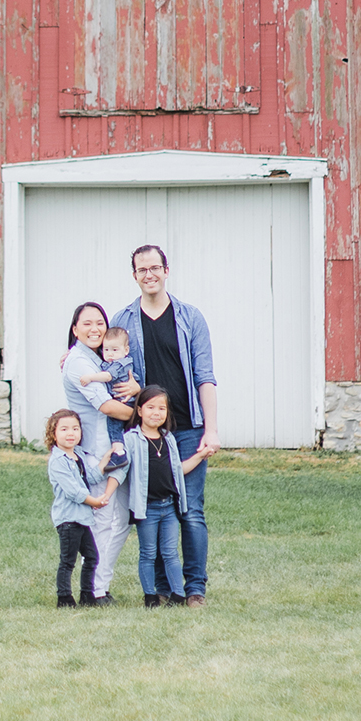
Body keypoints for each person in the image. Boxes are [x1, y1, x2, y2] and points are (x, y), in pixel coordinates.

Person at [110, 245, 219, 605]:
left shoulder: (190, 317)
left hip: (187, 428)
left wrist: (211, 429)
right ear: (134, 275)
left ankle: (194, 589)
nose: (149, 274)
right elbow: (101, 352)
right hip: (145, 435)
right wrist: (72, 354)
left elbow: (205, 377)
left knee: (190, 511)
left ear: (166, 270)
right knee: (152, 508)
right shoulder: (124, 320)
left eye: (155, 267)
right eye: (142, 269)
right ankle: (159, 587)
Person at [61, 302, 136, 603]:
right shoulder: (79, 362)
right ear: (75, 329)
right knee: (104, 519)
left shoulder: (99, 358)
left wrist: (135, 390)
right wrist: (146, 413)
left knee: (123, 519)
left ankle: (99, 585)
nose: (95, 329)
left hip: (114, 447)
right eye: (87, 323)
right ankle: (93, 590)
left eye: (99, 323)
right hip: (96, 452)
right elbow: (105, 406)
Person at [125, 386, 207, 607]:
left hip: (169, 507)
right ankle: (150, 595)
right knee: (149, 554)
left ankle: (178, 595)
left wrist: (201, 456)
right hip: (147, 508)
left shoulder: (168, 439)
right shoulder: (132, 439)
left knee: (171, 552)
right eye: (150, 407)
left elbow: (177, 470)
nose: (156, 412)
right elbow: (121, 470)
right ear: (140, 411)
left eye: (162, 408)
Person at [44, 407, 111, 608]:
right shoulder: (58, 461)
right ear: (53, 434)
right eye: (64, 429)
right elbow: (75, 492)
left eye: (75, 428)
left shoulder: (78, 455)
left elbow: (90, 477)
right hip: (68, 519)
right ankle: (64, 597)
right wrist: (95, 502)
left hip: (83, 519)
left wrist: (106, 459)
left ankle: (87, 595)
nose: (70, 433)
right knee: (68, 560)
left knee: (91, 557)